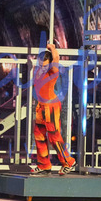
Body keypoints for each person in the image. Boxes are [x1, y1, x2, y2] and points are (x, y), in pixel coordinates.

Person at [30, 43, 76, 176]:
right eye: (41, 65)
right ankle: (44, 165)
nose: (42, 68)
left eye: (45, 65)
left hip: (51, 107)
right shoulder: (37, 71)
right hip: (41, 106)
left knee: (54, 136)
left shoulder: (52, 71)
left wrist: (52, 48)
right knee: (39, 135)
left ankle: (68, 162)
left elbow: (56, 59)